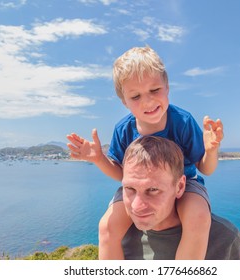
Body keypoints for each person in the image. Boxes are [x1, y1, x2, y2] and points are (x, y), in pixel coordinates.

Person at [67, 46, 224, 259]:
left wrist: (211, 150)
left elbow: (206, 168)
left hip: (184, 184)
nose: (148, 101)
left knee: (197, 218)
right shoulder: (123, 129)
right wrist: (98, 159)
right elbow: (122, 174)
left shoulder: (183, 122)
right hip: (139, 190)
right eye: (136, 96)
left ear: (167, 87)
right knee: (107, 227)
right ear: (124, 101)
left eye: (154, 90)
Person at [120, 136, 240, 260]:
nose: (136, 206)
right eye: (129, 189)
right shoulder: (118, 237)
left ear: (180, 186)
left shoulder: (225, 239)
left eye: (153, 190)